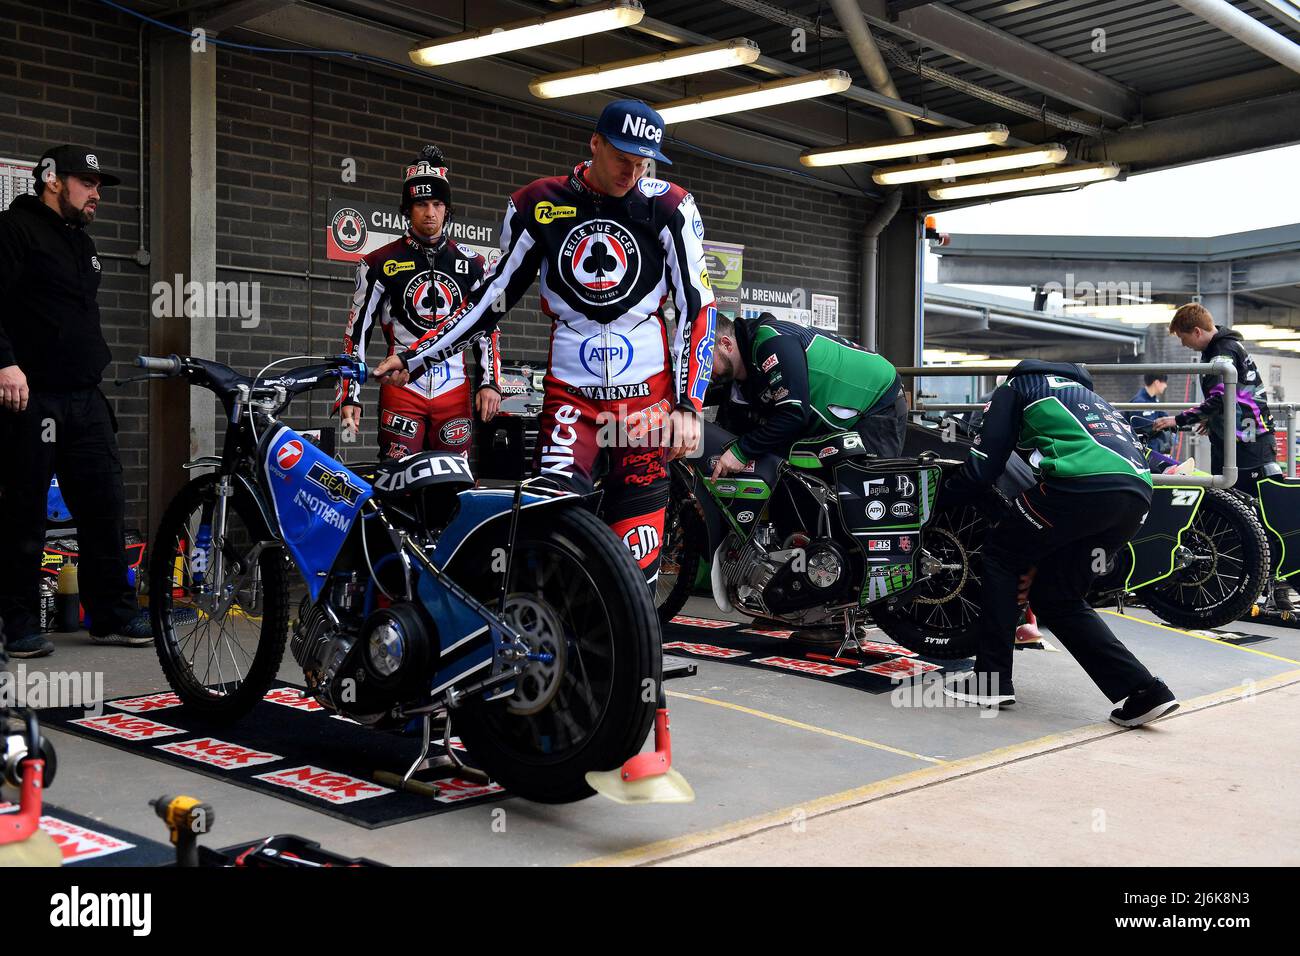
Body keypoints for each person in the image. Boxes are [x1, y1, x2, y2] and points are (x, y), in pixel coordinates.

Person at [375, 100, 714, 586]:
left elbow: (698, 307)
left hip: (646, 410)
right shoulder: (537, 203)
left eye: (643, 162)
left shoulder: (669, 206)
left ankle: (629, 652)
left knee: (638, 566)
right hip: (571, 407)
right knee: (549, 541)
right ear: (594, 144)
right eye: (623, 158)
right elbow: (490, 300)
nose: (632, 171)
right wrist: (415, 355)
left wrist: (689, 404)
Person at [941, 359, 1179, 727]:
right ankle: (1144, 690)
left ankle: (991, 682)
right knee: (1058, 597)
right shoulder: (1089, 398)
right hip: (1137, 496)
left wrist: (933, 504)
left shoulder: (1016, 389)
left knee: (1001, 556)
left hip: (1080, 486)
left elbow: (983, 468)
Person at [0, 145, 150, 658]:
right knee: (23, 513)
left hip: (85, 398)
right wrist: (4, 361)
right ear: (52, 182)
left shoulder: (81, 242)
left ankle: (111, 613)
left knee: (104, 506)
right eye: (87, 184)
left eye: (99, 186)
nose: (96, 194)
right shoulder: (14, 229)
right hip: (30, 397)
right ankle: (17, 623)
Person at [336, 145, 501, 459]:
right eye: (421, 204)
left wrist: (490, 383)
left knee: (454, 485)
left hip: (454, 389)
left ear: (447, 209)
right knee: (398, 483)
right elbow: (356, 333)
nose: (430, 213)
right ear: (407, 210)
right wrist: (349, 396)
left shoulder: (474, 263)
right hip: (402, 390)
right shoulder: (377, 263)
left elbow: (487, 328)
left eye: (438, 204)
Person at [706, 311, 906, 477]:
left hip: (876, 400)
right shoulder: (736, 378)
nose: (703, 372)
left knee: (865, 495)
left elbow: (792, 415)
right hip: (827, 417)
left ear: (726, 344)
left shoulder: (772, 342)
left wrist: (741, 451)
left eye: (706, 359)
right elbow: (730, 431)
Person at [1152, 303, 1279, 495]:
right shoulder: (1220, 348)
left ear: (1196, 332)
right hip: (1240, 439)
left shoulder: (1223, 352)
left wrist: (1177, 420)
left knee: (1241, 508)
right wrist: (1212, 418)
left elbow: (1221, 397)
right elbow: (1231, 397)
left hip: (1249, 442)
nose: (1183, 344)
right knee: (1230, 505)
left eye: (1182, 338)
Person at [1127, 373, 1174, 456]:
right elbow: (1147, 429)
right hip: (1144, 452)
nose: (1165, 386)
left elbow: (1164, 417)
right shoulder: (1139, 402)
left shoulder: (1154, 400)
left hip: (1154, 449)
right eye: (1164, 382)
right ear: (1156, 382)